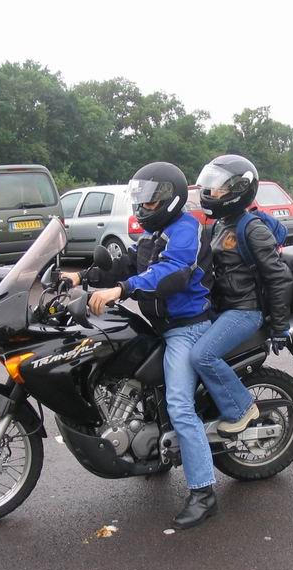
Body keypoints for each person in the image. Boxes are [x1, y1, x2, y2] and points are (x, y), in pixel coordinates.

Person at [61, 162, 219, 529]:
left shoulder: (185, 230)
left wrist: (122, 290)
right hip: (161, 325)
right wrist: (81, 277)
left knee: (180, 406)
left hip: (187, 328)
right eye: (141, 199)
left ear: (170, 200)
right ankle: (151, 448)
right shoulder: (154, 233)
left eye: (150, 200)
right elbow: (129, 263)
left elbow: (172, 271)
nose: (143, 206)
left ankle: (204, 493)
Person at [189, 155, 293, 436]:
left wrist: (280, 326)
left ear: (239, 190)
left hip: (245, 311)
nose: (212, 193)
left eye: (219, 188)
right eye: (211, 186)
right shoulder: (221, 224)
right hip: (224, 308)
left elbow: (279, 277)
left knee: (203, 356)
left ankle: (241, 408)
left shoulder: (252, 228)